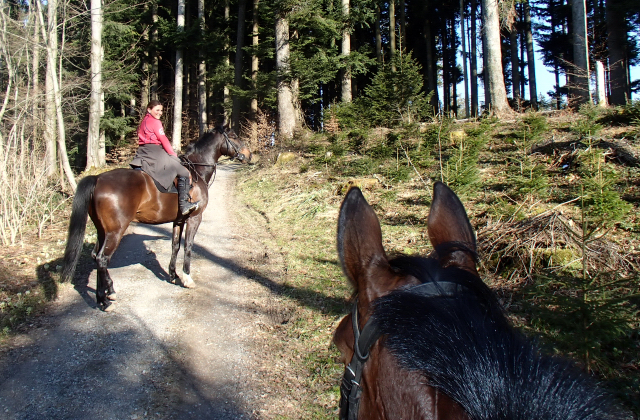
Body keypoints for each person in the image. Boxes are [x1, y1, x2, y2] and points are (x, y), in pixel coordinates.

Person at [130, 100, 199, 216]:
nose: (160, 113)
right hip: (154, 151)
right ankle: (184, 205)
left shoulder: (144, 121)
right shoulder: (155, 122)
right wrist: (173, 154)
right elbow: (163, 140)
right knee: (183, 172)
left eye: (161, 110)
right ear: (149, 109)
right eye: (157, 110)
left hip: (143, 151)